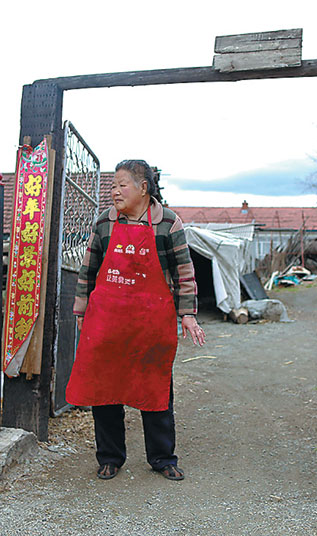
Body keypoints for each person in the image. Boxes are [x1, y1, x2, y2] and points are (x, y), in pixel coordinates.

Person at [66, 159, 205, 481]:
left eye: (121, 185)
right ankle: (110, 457)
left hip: (151, 323)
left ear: (143, 188)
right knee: (105, 389)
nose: (114, 191)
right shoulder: (105, 222)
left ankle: (162, 458)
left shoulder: (168, 223)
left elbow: (185, 273)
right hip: (107, 320)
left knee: (155, 388)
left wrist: (187, 314)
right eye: (112, 186)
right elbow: (88, 269)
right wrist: (80, 310)